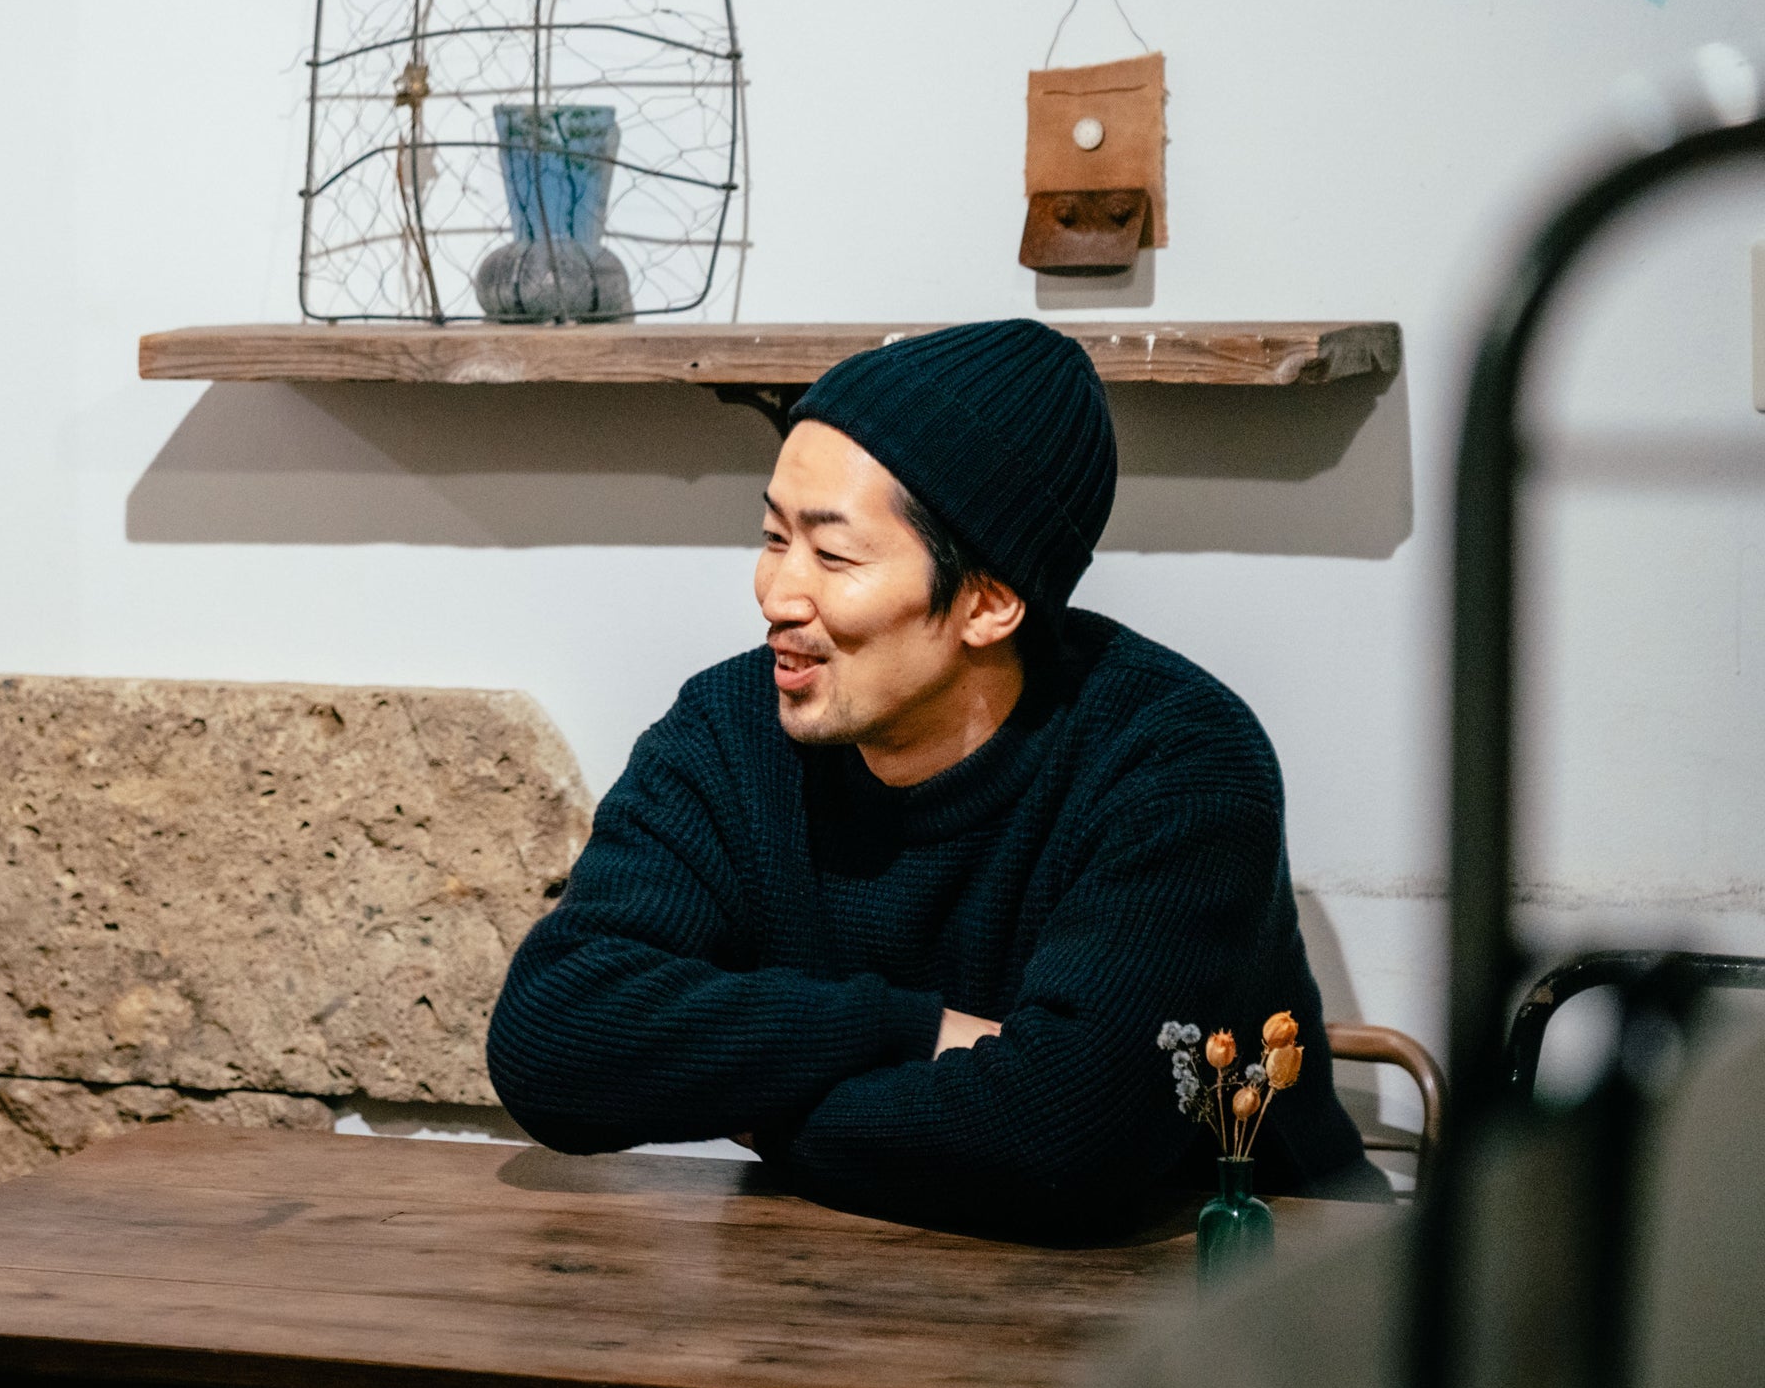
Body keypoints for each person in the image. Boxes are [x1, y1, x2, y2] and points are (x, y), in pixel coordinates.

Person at [485, 318, 1382, 1235]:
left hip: (1250, 1274)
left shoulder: (1176, 762)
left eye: (834, 555)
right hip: (857, 1269)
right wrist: (910, 1029)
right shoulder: (731, 729)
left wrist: (757, 1111)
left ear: (989, 602)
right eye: (773, 535)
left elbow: (1062, 1142)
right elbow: (552, 1037)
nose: (777, 593)